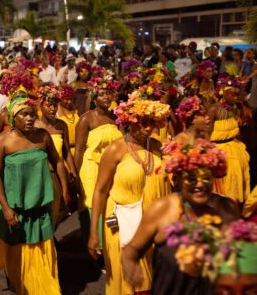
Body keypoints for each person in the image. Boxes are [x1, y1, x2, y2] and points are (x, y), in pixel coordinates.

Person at [121, 139, 240, 295]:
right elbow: (131, 250)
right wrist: (130, 265)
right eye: (191, 179)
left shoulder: (227, 208)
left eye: (206, 177)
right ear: (177, 180)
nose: (199, 184)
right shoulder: (162, 209)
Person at [88, 96, 171, 294]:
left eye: (150, 123)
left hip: (152, 225)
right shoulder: (115, 150)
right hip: (121, 224)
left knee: (151, 278)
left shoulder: (157, 146)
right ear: (128, 123)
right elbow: (99, 191)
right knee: (126, 281)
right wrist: (94, 233)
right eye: (141, 123)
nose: (147, 128)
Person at [0, 97, 67, 294]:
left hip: (41, 205)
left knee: (42, 248)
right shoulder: (3, 141)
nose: (30, 118)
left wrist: (65, 189)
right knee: (18, 253)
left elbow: (57, 161)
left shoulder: (43, 137)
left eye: (32, 114)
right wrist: (5, 208)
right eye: (24, 114)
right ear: (14, 118)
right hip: (15, 208)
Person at [75, 75, 122, 245]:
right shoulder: (86, 119)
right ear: (94, 97)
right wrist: (76, 178)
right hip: (91, 168)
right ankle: (96, 245)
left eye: (109, 93)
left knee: (111, 204)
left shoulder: (117, 118)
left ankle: (110, 242)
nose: (106, 97)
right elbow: (79, 151)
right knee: (92, 205)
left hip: (113, 168)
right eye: (102, 94)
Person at [35, 83, 77, 226]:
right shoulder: (34, 126)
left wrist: (73, 171)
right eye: (48, 105)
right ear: (40, 106)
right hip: (39, 175)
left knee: (59, 209)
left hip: (57, 174)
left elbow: (66, 154)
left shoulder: (61, 125)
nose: (52, 109)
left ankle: (51, 237)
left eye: (54, 105)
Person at [208, 75, 250, 203]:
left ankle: (235, 207)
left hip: (235, 148)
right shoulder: (214, 109)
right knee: (225, 183)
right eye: (233, 94)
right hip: (219, 151)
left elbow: (242, 125)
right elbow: (206, 134)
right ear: (224, 92)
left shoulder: (236, 108)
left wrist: (241, 104)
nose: (236, 96)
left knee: (237, 179)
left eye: (238, 94)